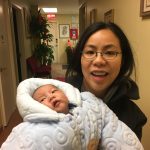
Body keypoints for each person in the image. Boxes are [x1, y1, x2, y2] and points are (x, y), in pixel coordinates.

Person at [1, 78, 144, 150]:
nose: (50, 97)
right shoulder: (31, 128)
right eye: (42, 99)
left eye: (53, 91)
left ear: (65, 92)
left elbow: (115, 131)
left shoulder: (89, 105)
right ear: (35, 107)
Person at [65, 21, 147, 140]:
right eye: (90, 52)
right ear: (80, 58)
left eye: (109, 53)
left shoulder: (133, 118)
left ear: (123, 60)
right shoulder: (56, 98)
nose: (99, 61)